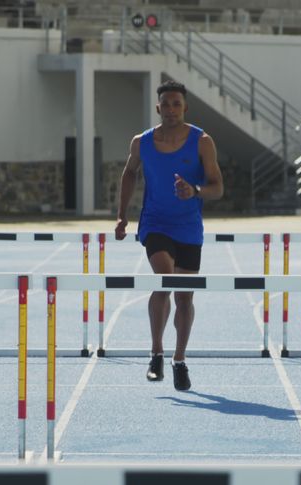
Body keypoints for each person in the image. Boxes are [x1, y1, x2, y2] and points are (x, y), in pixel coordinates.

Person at [114, 80, 224, 391]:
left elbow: (218, 187)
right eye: (167, 104)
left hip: (188, 226)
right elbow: (130, 173)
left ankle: (179, 359)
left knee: (184, 297)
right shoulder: (142, 142)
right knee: (164, 280)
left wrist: (195, 191)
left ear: (184, 107)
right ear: (158, 107)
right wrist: (122, 215)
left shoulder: (202, 142)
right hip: (155, 223)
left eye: (177, 103)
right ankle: (156, 353)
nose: (172, 109)